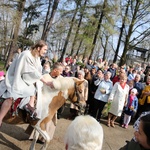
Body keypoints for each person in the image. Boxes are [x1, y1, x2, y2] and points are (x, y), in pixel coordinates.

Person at [0, 40, 50, 126]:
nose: (45, 52)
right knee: (11, 95)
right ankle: (0, 118)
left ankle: (29, 107)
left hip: (26, 79)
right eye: (44, 49)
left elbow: (37, 71)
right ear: (38, 48)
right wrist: (45, 81)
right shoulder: (26, 54)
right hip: (16, 78)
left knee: (33, 90)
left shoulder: (37, 58)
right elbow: (32, 72)